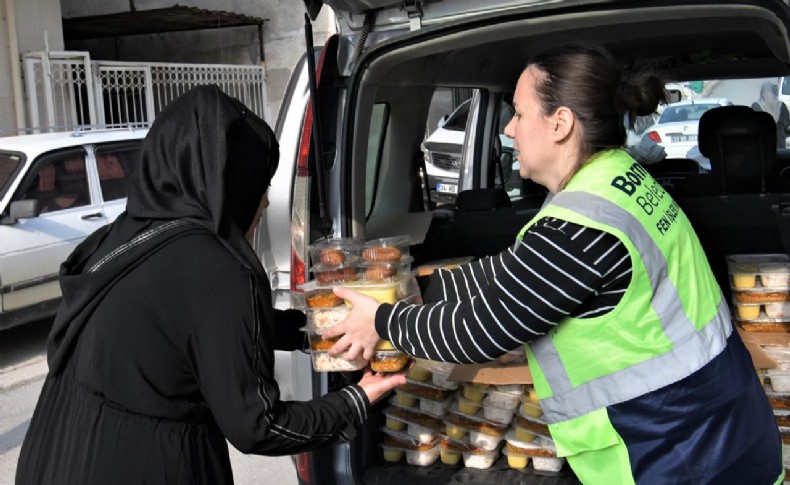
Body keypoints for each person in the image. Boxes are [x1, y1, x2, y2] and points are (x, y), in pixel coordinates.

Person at [324, 43, 783, 484]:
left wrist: (383, 320)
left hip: (673, 452)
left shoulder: (578, 230)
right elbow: (518, 270)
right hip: (720, 424)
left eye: (519, 114)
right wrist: (415, 289)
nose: (509, 129)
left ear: (560, 122)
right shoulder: (615, 180)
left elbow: (478, 332)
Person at [15, 85, 406, 484]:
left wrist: (311, 331)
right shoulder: (221, 270)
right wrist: (357, 400)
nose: (266, 202)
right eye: (260, 182)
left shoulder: (121, 236)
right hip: (147, 464)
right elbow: (260, 425)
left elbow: (195, 326)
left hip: (55, 452)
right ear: (231, 181)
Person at [751, 81, 790, 148]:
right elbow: (786, 125)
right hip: (771, 147)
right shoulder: (756, 106)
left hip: (771, 147)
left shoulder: (756, 106)